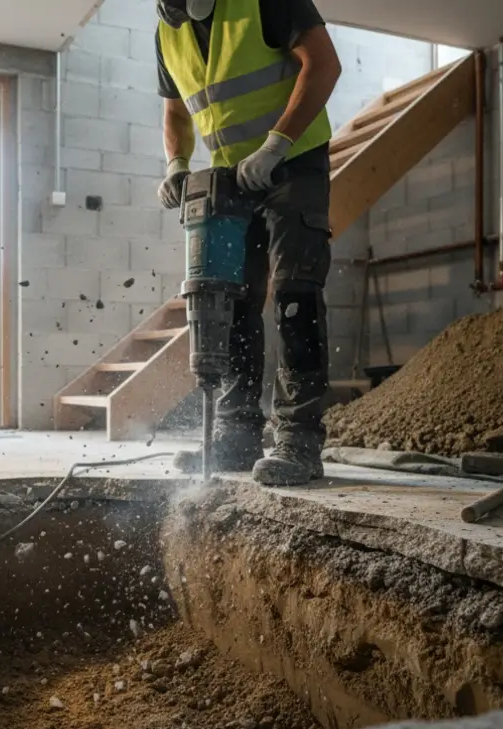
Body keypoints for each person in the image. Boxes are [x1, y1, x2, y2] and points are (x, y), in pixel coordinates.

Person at [155, 0, 341, 486]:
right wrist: (176, 164)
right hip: (230, 176)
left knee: (294, 293)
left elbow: (324, 64)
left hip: (292, 160)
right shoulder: (168, 31)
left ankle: (298, 439)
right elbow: (176, 111)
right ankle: (236, 434)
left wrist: (276, 144)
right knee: (233, 302)